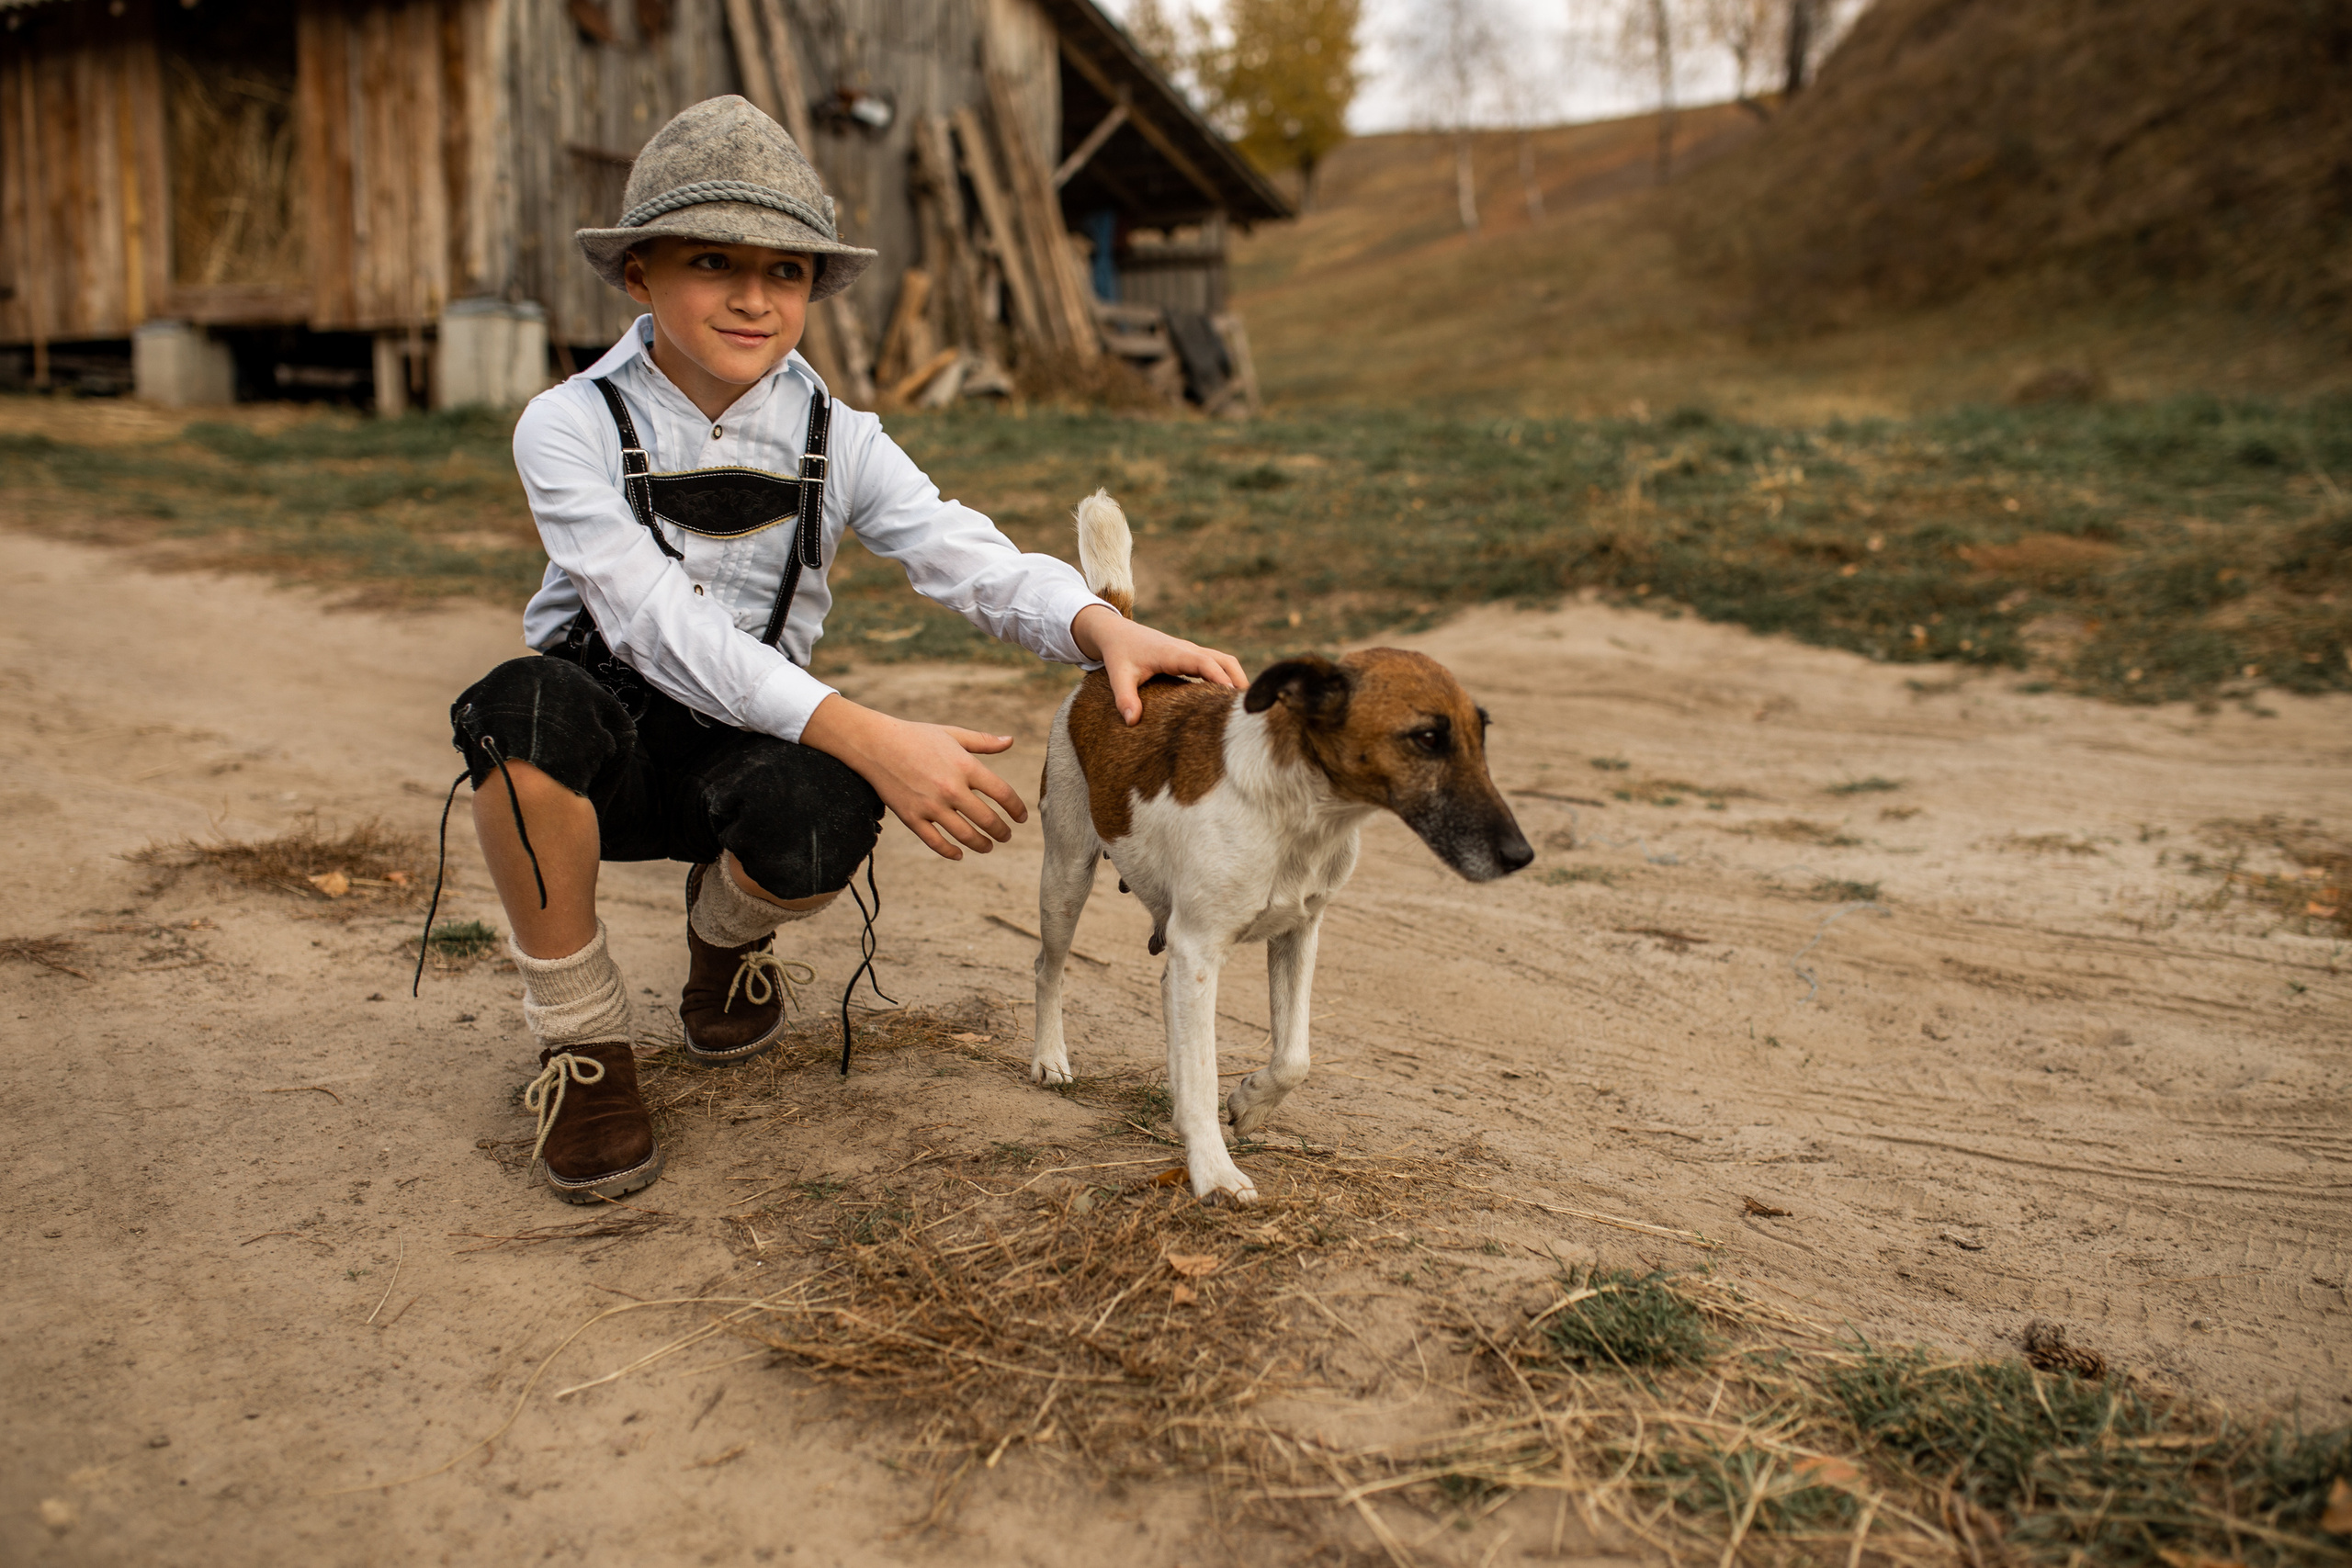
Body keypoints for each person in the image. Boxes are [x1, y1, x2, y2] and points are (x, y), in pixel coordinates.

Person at [448, 96, 1243, 1203]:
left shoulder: (839, 437)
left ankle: (723, 949)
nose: (752, 297)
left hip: (749, 734)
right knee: (521, 713)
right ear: (638, 275)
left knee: (826, 811)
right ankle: (582, 1048)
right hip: (604, 745)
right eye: (713, 260)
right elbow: (648, 620)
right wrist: (870, 733)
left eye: (786, 272)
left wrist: (1094, 621)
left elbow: (959, 550)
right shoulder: (569, 423)